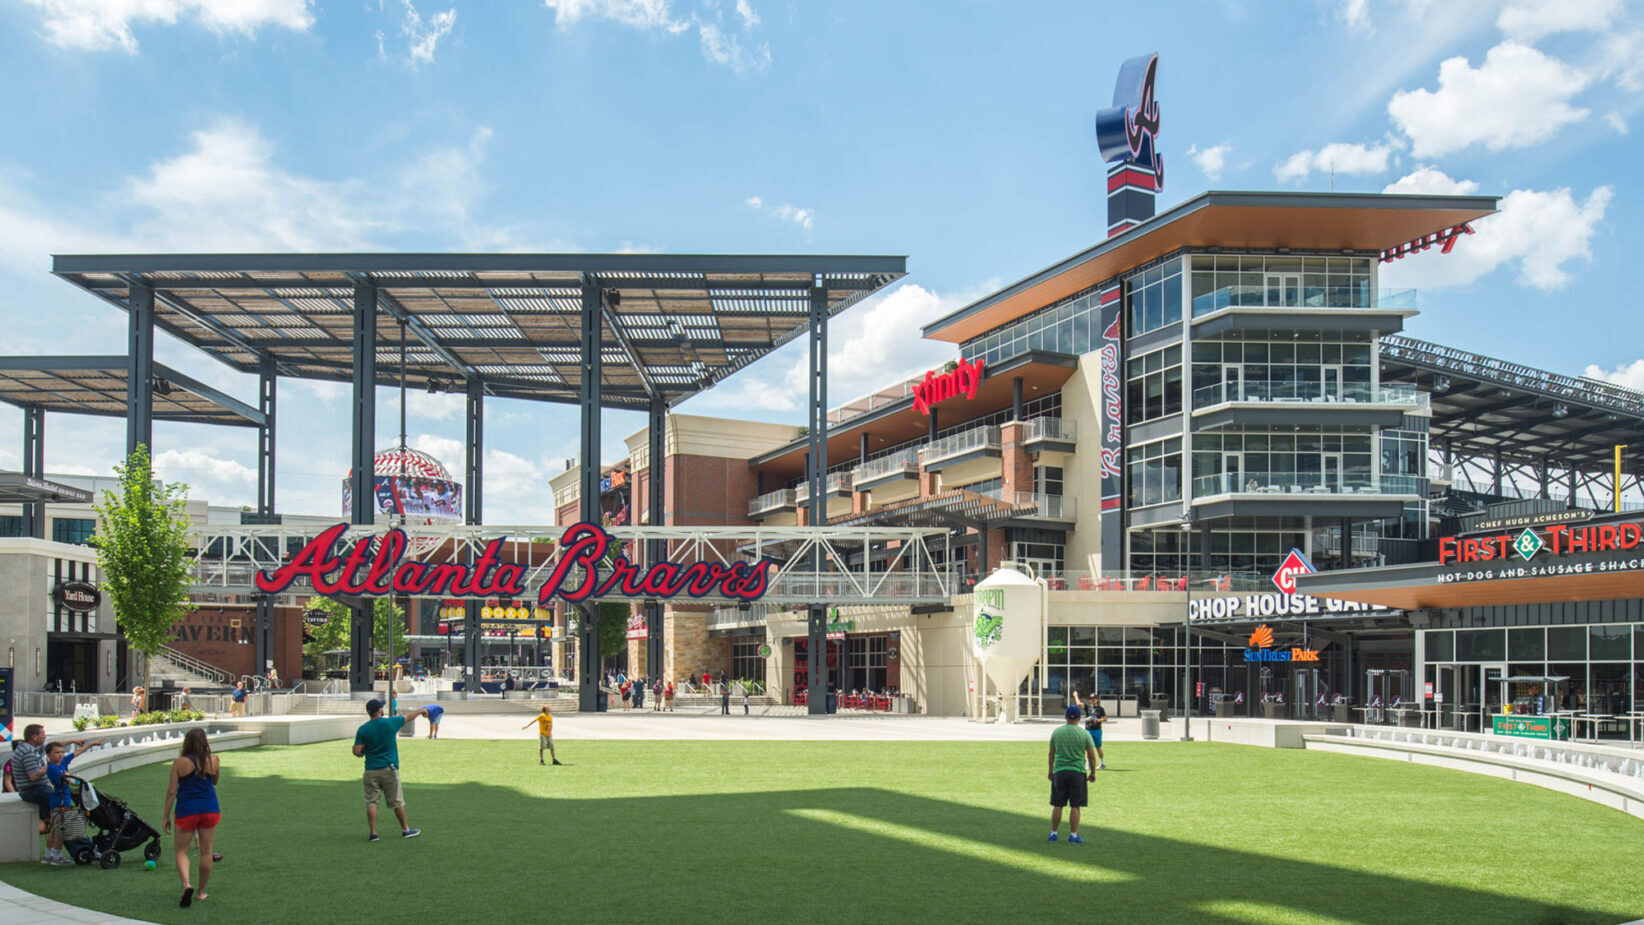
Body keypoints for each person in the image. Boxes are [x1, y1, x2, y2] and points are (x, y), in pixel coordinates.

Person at [352, 698, 429, 842]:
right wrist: (422, 710)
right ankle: (405, 829)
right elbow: (408, 717)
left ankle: (373, 833)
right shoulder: (390, 723)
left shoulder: (363, 729)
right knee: (397, 801)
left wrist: (364, 752)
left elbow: (357, 751)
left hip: (370, 770)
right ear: (380, 710)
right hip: (389, 769)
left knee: (371, 802)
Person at [163, 729, 220, 907]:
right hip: (210, 808)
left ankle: (186, 884)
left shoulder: (179, 763)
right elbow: (215, 782)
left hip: (187, 810)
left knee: (181, 851)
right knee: (206, 852)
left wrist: (166, 816)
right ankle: (201, 892)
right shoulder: (214, 760)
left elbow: (172, 791)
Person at [44, 736, 105, 865]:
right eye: (57, 752)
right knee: (61, 830)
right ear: (48, 754)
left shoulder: (62, 763)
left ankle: (49, 854)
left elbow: (76, 753)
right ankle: (56, 856)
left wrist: (91, 745)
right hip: (61, 802)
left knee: (54, 829)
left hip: (59, 801)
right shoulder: (52, 769)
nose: (60, 755)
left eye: (61, 752)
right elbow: (68, 781)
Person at [1047, 705, 1097, 844]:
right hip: (1077, 772)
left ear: (1065, 717)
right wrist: (1092, 772)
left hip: (1060, 772)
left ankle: (1053, 833)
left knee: (1058, 804)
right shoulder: (1084, 734)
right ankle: (1073, 835)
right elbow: (1092, 757)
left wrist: (1051, 770)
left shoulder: (1057, 733)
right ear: (1080, 718)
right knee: (1075, 805)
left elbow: (1052, 753)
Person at [11, 724, 54, 853]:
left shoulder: (35, 748)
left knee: (56, 816)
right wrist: (50, 766)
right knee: (59, 814)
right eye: (42, 734)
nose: (45, 736)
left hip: (39, 789)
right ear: (34, 737)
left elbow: (54, 745)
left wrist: (74, 742)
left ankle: (52, 850)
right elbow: (33, 776)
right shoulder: (27, 752)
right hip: (34, 791)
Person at [1073, 691, 1108, 770]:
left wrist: (1097, 720)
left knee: (1098, 747)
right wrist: (1076, 696)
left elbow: (1105, 719)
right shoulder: (1088, 707)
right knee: (1087, 747)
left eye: (1093, 699)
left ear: (1097, 700)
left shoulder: (1100, 709)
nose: (1092, 700)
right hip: (1088, 730)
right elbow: (1079, 704)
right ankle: (1088, 764)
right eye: (1091, 699)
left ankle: (1102, 763)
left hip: (1097, 730)